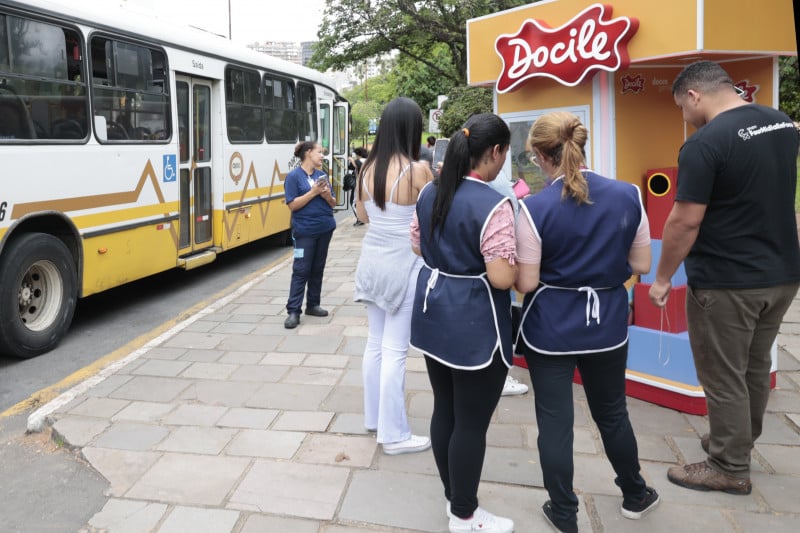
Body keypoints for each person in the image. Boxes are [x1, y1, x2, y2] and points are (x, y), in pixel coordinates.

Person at [648, 60, 800, 495]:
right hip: (782, 273)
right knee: (754, 365)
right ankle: (737, 440)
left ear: (694, 95)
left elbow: (683, 222)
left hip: (728, 281)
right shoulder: (779, 124)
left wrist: (662, 280)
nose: (684, 116)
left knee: (723, 374)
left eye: (681, 106)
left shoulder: (704, 144)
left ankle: (729, 466)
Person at [516, 111, 658, 532]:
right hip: (608, 325)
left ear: (541, 155)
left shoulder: (533, 207)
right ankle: (635, 492)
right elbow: (642, 264)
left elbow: (526, 282)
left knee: (555, 420)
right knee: (612, 412)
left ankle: (563, 512)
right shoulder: (628, 194)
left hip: (550, 328)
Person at [410, 114, 517, 533]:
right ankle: (465, 515)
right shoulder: (494, 204)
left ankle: (453, 496)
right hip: (476, 322)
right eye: (505, 154)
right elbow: (502, 278)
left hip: (434, 314)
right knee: (471, 422)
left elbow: (416, 245)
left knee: (445, 411)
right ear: (494, 152)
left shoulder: (430, 193)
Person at [353, 98, 433, 455]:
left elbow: (363, 216)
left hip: (372, 261)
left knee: (375, 342)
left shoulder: (366, 169)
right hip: (405, 263)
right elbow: (433, 218)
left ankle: (374, 418)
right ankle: (394, 435)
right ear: (411, 129)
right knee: (395, 350)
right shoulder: (418, 171)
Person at [283, 140, 337, 329]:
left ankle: (313, 304)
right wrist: (313, 193)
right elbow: (292, 205)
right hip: (304, 231)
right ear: (308, 153)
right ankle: (293, 311)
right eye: (319, 152)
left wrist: (326, 195)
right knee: (301, 270)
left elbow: (333, 203)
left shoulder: (322, 175)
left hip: (325, 228)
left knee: (318, 268)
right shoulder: (293, 177)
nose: (322, 156)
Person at [349, 147, 368, 226]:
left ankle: (360, 219)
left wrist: (351, 160)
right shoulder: (369, 160)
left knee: (353, 202)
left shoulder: (357, 161)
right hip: (368, 185)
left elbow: (351, 167)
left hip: (359, 184)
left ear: (357, 154)